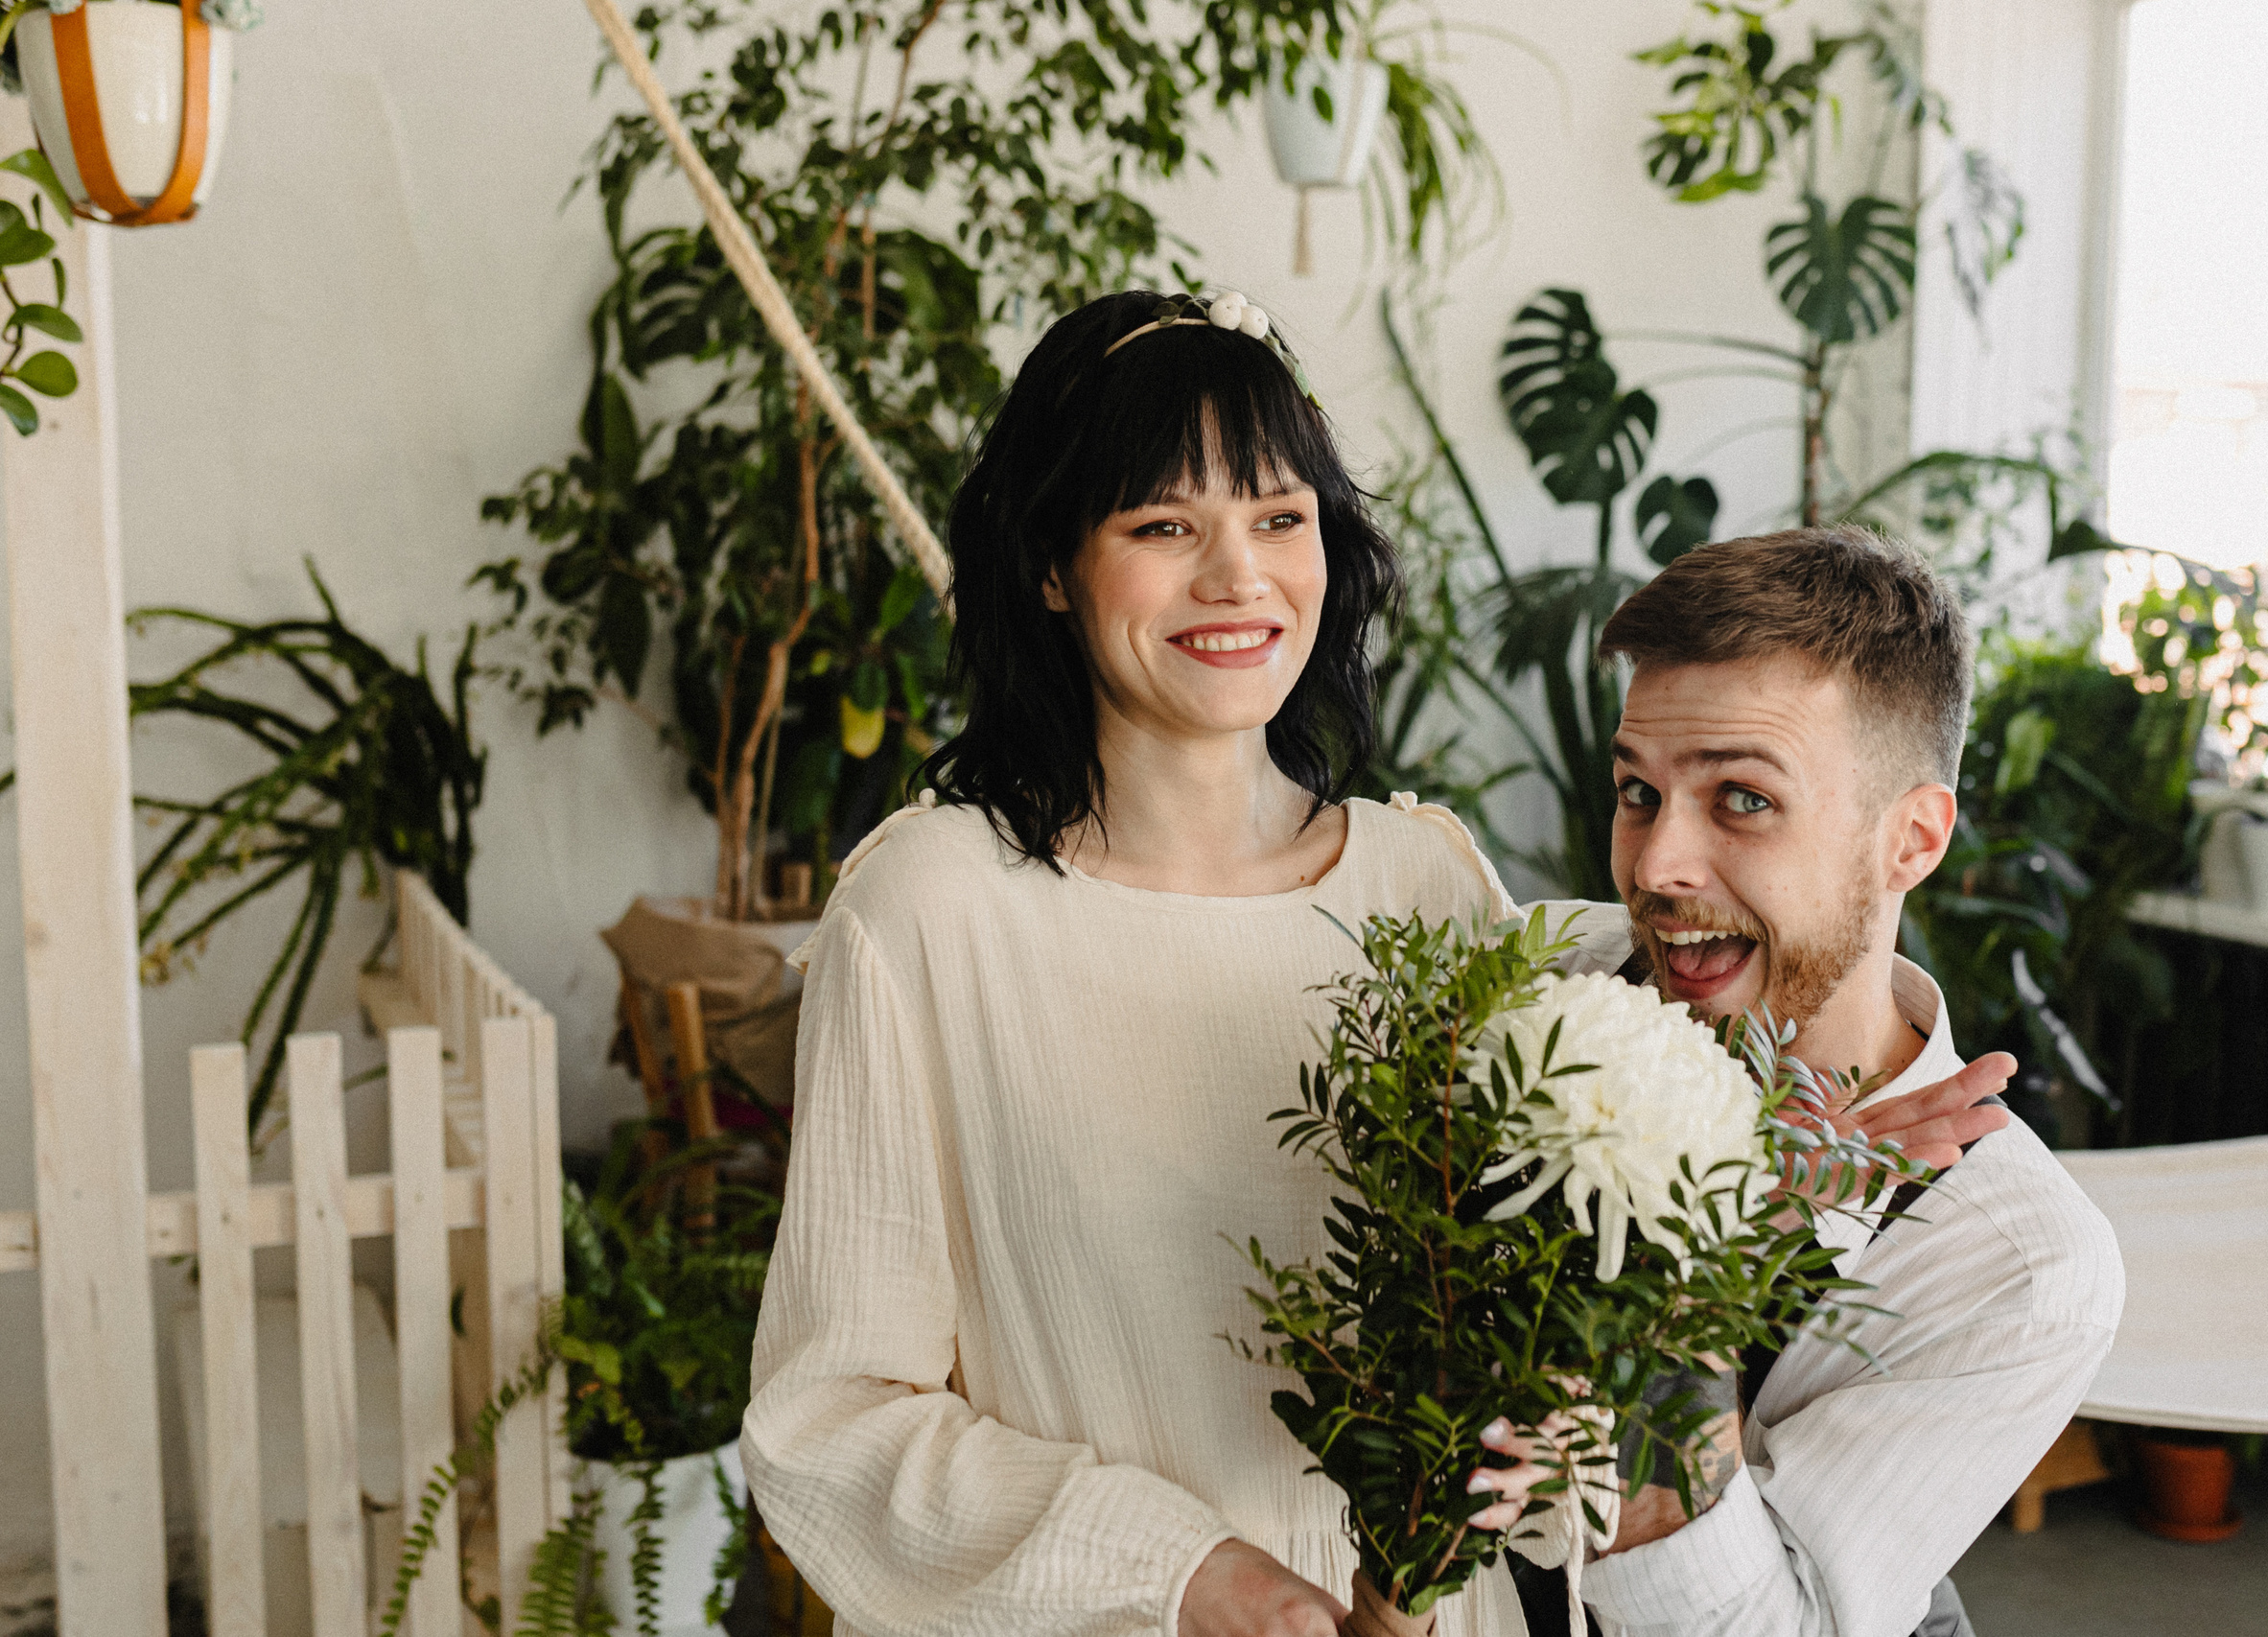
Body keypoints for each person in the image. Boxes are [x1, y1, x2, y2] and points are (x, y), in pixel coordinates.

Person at [743, 287, 2016, 1637]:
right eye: (1164, 525)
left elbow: (1510, 1309)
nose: (1237, 577)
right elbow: (834, 1414)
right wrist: (1184, 1570)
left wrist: (1732, 1217)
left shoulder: (1424, 882)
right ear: (1054, 566)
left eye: (1278, 519)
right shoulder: (930, 908)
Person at [1464, 527, 2126, 1637]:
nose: (1655, 866)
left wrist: (1679, 1321)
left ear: (1908, 841)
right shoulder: (1535, 982)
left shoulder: (2013, 1261)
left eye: (1742, 800)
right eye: (1637, 790)